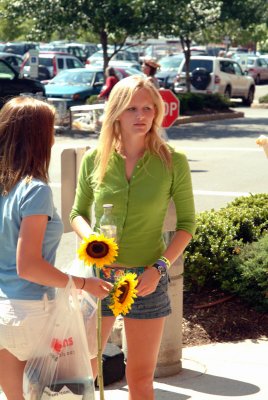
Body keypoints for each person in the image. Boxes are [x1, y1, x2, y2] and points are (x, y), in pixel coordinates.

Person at [70, 75, 196, 400]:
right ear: (115, 113)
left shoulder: (172, 161)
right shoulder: (94, 160)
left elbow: (187, 225)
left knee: (140, 379)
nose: (140, 116)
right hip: (100, 278)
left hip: (148, 278)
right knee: (84, 371)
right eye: (131, 109)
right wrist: (91, 242)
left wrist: (159, 268)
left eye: (147, 108)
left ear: (156, 112)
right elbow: (77, 214)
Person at [0, 96, 112, 400]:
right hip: (33, 313)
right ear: (39, 137)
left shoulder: (4, 188)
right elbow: (30, 266)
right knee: (64, 394)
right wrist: (84, 284)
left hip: (3, 311)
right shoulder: (34, 190)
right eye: (51, 130)